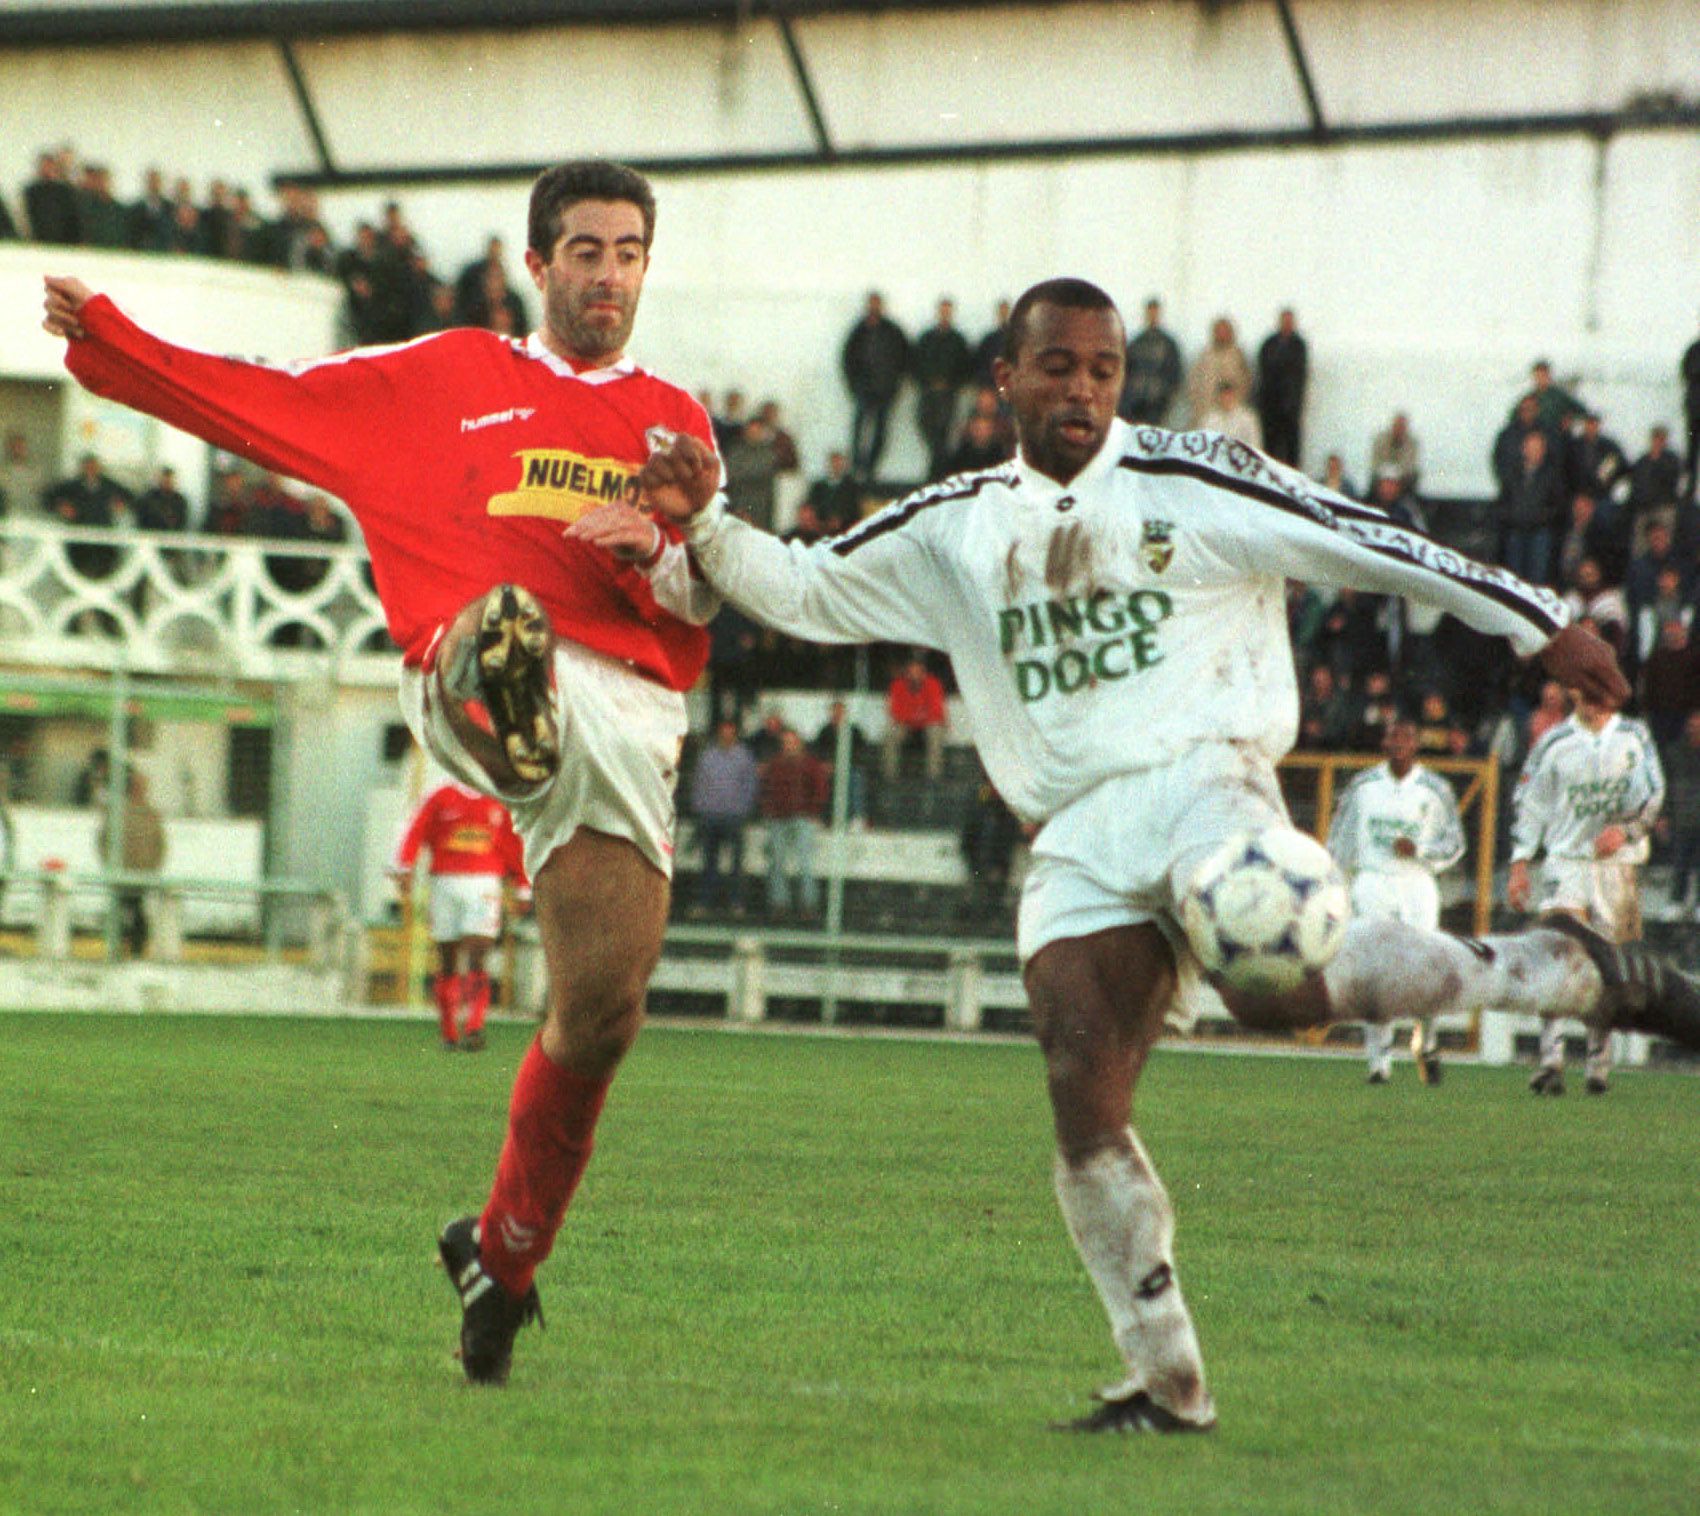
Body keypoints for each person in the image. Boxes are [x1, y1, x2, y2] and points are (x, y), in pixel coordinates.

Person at [574, 276, 1700, 1434]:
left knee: (1280, 998)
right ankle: (1168, 1382)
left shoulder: (1192, 475)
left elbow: (1367, 541)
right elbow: (809, 586)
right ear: (1003, 379)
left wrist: (1534, 620)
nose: (1080, 390)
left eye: (1102, 370)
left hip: (1203, 777)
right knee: (1078, 1074)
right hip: (1072, 831)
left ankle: (1561, 972)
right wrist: (706, 529)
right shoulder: (953, 522)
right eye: (1055, 366)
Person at [45, 158, 724, 1388]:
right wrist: (110, 345)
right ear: (536, 264)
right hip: (474, 660)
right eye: (585, 250)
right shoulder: (450, 376)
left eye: (628, 251)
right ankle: (497, 690)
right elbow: (271, 402)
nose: (608, 273)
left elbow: (691, 601)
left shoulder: (673, 420)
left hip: (623, 714)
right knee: (500, 630)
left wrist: (683, 539)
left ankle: (501, 1260)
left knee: (600, 1016)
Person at [1510, 687, 1664, 1096]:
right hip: (1567, 862)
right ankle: (1551, 1061)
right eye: (1584, 692)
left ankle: (1598, 1066)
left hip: (1617, 866)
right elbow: (1530, 803)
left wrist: (1626, 831)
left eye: (1600, 692)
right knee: (1557, 954)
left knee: (1606, 966)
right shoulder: (1554, 742)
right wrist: (1520, 862)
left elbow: (1654, 795)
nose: (1592, 702)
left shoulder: (1634, 736)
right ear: (1573, 694)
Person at [1328, 718, 1466, 1085]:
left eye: (1406, 737)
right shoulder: (1363, 786)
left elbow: (1455, 843)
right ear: (1384, 743)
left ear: (1416, 744)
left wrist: (1419, 850)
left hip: (1417, 882)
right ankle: (1379, 1062)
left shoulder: (1434, 788)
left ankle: (1427, 1039)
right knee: (1377, 970)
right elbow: (1338, 840)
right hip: (1373, 880)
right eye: (1393, 737)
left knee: (1427, 967)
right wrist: (1336, 884)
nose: (1398, 743)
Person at [393, 780, 529, 1052]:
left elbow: (512, 843)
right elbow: (416, 830)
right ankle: (449, 1032)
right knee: (448, 959)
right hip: (444, 883)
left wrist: (522, 884)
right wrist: (404, 865)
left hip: (484, 884)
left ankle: (474, 1026)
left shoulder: (497, 799)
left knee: (478, 953)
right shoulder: (441, 797)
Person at [758, 727, 830, 920]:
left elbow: (820, 788)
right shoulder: (776, 764)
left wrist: (813, 812)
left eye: (792, 742)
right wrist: (769, 810)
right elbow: (766, 788)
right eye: (786, 742)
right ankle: (779, 904)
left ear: (799, 744)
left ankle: (809, 905)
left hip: (802, 817)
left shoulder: (809, 764)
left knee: (805, 863)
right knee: (777, 862)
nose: (789, 746)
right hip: (778, 818)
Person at [688, 719, 758, 915]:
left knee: (736, 864)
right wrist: (700, 808)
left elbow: (750, 786)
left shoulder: (744, 757)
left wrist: (743, 810)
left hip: (734, 817)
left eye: (730, 732)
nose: (726, 735)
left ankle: (736, 903)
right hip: (709, 816)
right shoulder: (707, 756)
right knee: (708, 862)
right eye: (723, 731)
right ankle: (704, 903)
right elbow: (698, 783)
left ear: (735, 734)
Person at [840, 291, 910, 481]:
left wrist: (895, 384)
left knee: (880, 431)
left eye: (877, 304)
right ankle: (857, 465)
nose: (874, 307)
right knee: (859, 428)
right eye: (871, 303)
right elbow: (847, 359)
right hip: (863, 388)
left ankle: (871, 468)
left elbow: (904, 357)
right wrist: (853, 384)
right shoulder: (858, 331)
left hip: (885, 389)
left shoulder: (892, 331)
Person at [98, 768, 166, 959]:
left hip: (142, 875)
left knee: (139, 915)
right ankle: (117, 950)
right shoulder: (118, 812)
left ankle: (137, 951)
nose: (141, 789)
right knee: (121, 913)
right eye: (137, 785)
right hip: (122, 872)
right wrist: (109, 864)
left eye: (143, 786)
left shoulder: (152, 814)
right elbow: (103, 839)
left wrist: (153, 867)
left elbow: (160, 844)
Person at [913, 297, 975, 481]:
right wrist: (928, 382)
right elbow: (915, 364)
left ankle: (936, 475)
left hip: (949, 396)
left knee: (944, 435)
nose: (945, 314)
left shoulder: (958, 340)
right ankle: (939, 472)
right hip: (928, 395)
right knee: (929, 431)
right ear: (938, 312)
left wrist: (951, 384)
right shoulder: (926, 338)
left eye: (948, 311)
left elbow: (966, 367)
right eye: (942, 311)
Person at [1253, 307, 1307, 467]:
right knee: (1269, 452)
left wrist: (1292, 403)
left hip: (1291, 409)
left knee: (1291, 453)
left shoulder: (1299, 346)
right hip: (1270, 407)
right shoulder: (1269, 344)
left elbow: (1299, 376)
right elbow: (1263, 372)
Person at [1117, 297, 1182, 427]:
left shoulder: (1168, 344)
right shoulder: (1137, 342)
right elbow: (1124, 370)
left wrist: (1165, 395)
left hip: (1157, 403)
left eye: (1155, 312)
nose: (1152, 316)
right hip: (1134, 403)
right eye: (1150, 312)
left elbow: (1175, 374)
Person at [882, 653, 948, 781]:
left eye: (917, 671)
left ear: (923, 672)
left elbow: (937, 712)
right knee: (890, 734)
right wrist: (916, 716)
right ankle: (890, 777)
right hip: (906, 725)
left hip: (927, 724)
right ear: (906, 672)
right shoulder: (897, 685)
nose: (914, 675)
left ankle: (933, 777)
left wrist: (914, 716)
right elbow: (895, 712)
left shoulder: (933, 684)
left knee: (935, 732)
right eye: (911, 671)